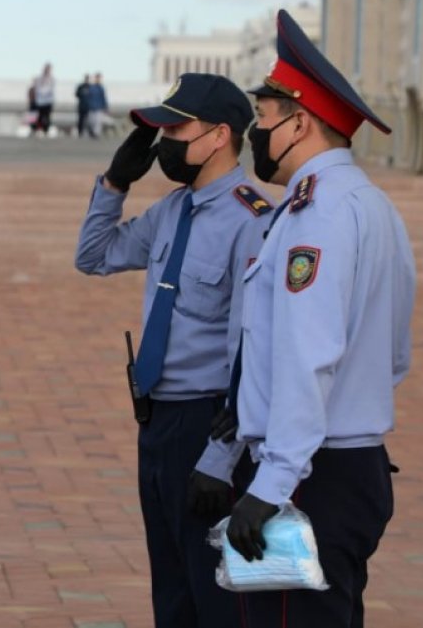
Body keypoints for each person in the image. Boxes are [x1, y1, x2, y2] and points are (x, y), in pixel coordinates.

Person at [190, 10, 416, 628]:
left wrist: (271, 484)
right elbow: (393, 355)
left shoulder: (314, 217)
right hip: (355, 463)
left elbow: (305, 355)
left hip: (308, 478)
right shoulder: (373, 204)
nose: (254, 135)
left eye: (262, 121)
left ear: (301, 122)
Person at [74, 73, 274, 628]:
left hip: (209, 425)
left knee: (218, 597)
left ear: (218, 136)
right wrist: (115, 183)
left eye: (175, 128)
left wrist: (221, 457)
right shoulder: (171, 211)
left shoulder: (253, 221)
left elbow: (253, 351)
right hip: (157, 423)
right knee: (172, 591)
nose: (164, 143)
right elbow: (93, 256)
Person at [32, 63, 54, 135]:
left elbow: (51, 90)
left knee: (47, 117)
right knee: (39, 116)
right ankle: (36, 129)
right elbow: (36, 89)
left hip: (48, 101)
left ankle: (46, 130)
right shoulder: (39, 78)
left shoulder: (52, 79)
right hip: (40, 101)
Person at [88, 72, 111, 138]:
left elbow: (103, 98)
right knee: (92, 121)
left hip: (99, 107)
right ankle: (93, 132)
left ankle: (96, 133)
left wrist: (105, 107)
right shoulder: (91, 87)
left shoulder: (101, 88)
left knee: (98, 121)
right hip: (92, 107)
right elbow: (89, 97)